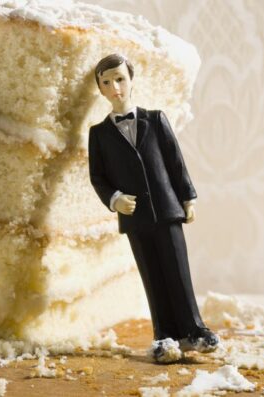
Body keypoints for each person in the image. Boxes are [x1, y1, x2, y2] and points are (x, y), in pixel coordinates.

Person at [87, 54, 219, 363]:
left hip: (167, 208)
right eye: (106, 83)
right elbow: (98, 178)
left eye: (119, 79)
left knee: (177, 271)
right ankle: (164, 335)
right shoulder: (99, 134)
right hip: (134, 217)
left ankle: (195, 330)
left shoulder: (156, 119)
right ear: (101, 90)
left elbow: (176, 163)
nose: (115, 87)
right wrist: (114, 198)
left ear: (131, 80)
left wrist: (188, 198)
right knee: (152, 276)